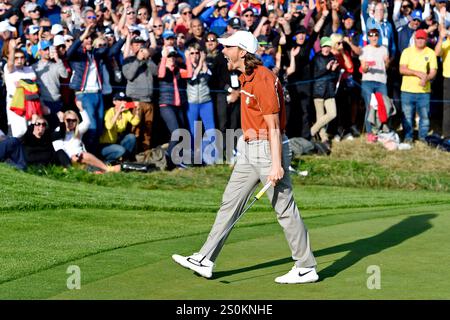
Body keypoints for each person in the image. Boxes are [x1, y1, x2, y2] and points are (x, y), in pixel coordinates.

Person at [172, 31, 318, 284]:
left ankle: (306, 267)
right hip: (250, 148)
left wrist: (276, 165)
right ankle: (205, 258)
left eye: (227, 47)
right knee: (230, 202)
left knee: (283, 207)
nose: (223, 52)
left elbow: (274, 126)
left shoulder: (263, 79)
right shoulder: (246, 77)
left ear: (241, 51)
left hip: (267, 148)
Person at [399, 29, 437, 143]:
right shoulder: (407, 52)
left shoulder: (430, 53)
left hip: (424, 91)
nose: (420, 40)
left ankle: (423, 137)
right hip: (407, 90)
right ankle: (408, 137)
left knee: (424, 117)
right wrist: (418, 73)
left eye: (422, 38)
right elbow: (402, 69)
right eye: (418, 38)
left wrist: (427, 78)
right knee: (407, 116)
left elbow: (433, 71)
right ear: (414, 39)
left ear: (426, 40)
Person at [360, 28, 389, 141]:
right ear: (368, 37)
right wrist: (366, 67)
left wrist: (387, 62)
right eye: (371, 35)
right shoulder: (364, 50)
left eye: (376, 35)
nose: (374, 37)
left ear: (379, 37)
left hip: (381, 81)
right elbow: (363, 69)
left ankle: (380, 130)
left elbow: (386, 67)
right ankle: (369, 132)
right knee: (370, 107)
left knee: (383, 106)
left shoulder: (384, 49)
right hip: (368, 81)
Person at [310, 36, 339, 146]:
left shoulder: (333, 58)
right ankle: (324, 138)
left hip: (330, 91)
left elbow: (334, 76)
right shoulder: (316, 58)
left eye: (328, 46)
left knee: (332, 113)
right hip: (318, 91)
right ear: (321, 47)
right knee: (320, 115)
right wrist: (326, 69)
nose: (326, 49)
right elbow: (314, 75)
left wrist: (333, 71)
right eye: (324, 46)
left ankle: (312, 131)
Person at [99, 92, 141, 162]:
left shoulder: (126, 112)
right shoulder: (109, 112)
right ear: (114, 102)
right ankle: (107, 161)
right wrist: (118, 111)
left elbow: (135, 122)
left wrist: (137, 111)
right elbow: (109, 126)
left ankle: (125, 160)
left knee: (131, 137)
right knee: (120, 150)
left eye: (124, 100)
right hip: (105, 144)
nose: (123, 102)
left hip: (117, 141)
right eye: (120, 100)